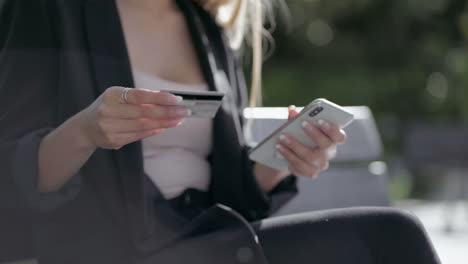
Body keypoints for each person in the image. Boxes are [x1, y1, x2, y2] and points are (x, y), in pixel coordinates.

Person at [0, 0, 440, 263]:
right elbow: (11, 182)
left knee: (388, 238)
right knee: (391, 237)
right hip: (114, 250)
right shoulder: (50, 9)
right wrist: (86, 132)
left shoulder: (205, 27)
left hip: (208, 243)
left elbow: (229, 198)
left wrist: (278, 160)